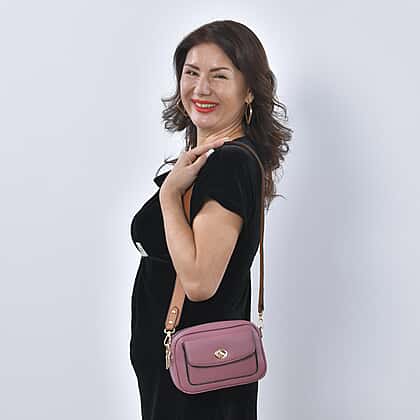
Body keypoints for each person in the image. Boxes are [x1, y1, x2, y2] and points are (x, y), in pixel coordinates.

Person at [129, 20, 292, 420]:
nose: (201, 88)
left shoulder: (229, 163)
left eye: (219, 76)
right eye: (191, 72)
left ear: (249, 89)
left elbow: (200, 282)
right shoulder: (212, 160)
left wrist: (169, 197)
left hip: (195, 381)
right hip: (187, 369)